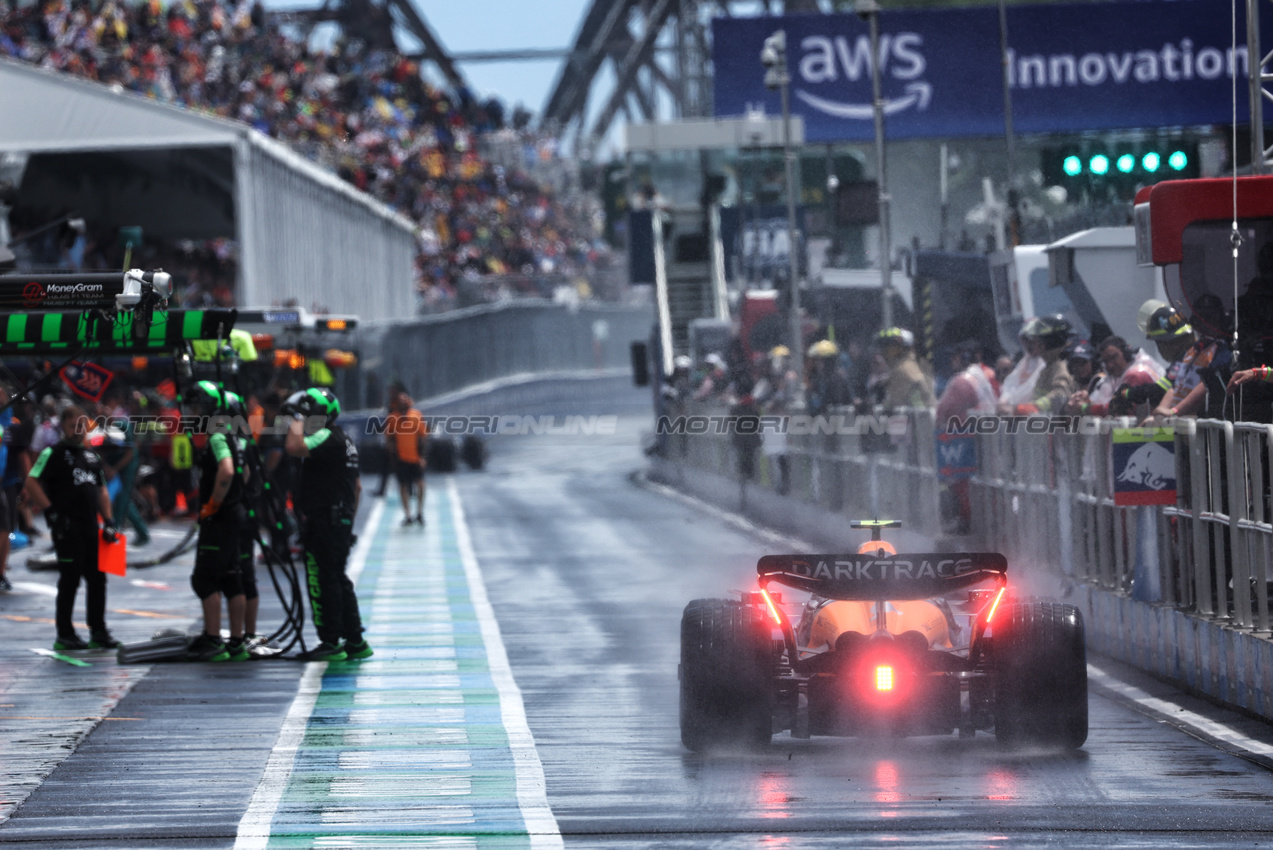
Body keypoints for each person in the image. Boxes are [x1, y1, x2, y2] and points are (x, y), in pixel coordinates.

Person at [284, 387, 372, 661]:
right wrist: (347, 523)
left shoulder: (325, 435)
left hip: (326, 519)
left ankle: (331, 641)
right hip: (339, 518)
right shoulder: (344, 439)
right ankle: (354, 639)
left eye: (311, 412)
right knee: (337, 577)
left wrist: (296, 417)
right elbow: (356, 488)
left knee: (323, 578)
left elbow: (293, 447)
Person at [24, 405, 120, 651]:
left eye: (81, 426)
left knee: (98, 579)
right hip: (66, 528)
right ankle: (64, 634)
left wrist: (108, 520)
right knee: (70, 579)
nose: (77, 431)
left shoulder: (91, 456)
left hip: (91, 528)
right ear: (63, 426)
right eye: (72, 426)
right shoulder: (52, 453)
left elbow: (101, 490)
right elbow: (32, 481)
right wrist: (50, 512)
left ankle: (98, 630)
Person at [185, 381, 250, 662]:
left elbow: (227, 471)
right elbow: (243, 472)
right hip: (234, 513)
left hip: (220, 517)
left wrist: (213, 503)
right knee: (232, 578)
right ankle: (236, 642)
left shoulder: (217, 436)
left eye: (197, 407)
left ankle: (213, 640)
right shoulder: (234, 435)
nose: (193, 412)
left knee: (204, 579)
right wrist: (233, 497)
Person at [1143, 304, 1232, 420]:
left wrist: (1174, 412)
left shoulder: (1223, 350)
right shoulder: (1192, 350)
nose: (1202, 324)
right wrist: (1159, 414)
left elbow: (1207, 385)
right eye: (1197, 319)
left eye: (1208, 318)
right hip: (1179, 422)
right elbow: (1175, 385)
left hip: (1198, 424)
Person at [1070, 334, 1164, 417]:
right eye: (1106, 361)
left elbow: (1116, 410)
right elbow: (1107, 401)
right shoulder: (1119, 374)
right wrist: (1087, 399)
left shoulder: (1136, 374)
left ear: (1126, 353)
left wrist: (1085, 408)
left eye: (1113, 358)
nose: (1110, 365)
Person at [1000, 315, 1074, 415]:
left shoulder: (1061, 366)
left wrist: (1033, 407)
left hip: (1059, 427)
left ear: (1051, 342)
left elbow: (1061, 395)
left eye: (1039, 343)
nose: (1036, 347)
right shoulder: (1048, 367)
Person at [387, 390, 427, 526]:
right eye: (400, 400)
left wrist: (422, 457)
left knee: (421, 485)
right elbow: (389, 439)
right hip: (401, 459)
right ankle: (408, 515)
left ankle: (419, 512)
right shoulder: (392, 418)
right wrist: (392, 456)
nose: (403, 402)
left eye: (405, 400)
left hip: (415, 458)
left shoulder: (416, 415)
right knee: (402, 486)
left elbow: (423, 437)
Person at [876, 327, 936, 410]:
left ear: (903, 349)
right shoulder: (918, 364)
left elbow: (891, 404)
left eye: (891, 348)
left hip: (916, 420)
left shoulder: (901, 370)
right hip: (924, 417)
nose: (885, 352)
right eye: (884, 348)